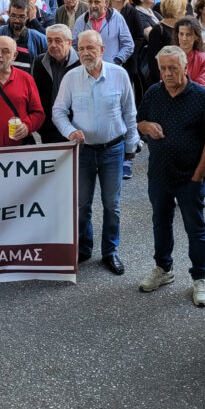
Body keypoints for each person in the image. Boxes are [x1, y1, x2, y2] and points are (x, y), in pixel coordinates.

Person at [137, 46, 205, 305]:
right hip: (158, 174)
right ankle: (163, 268)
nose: (168, 73)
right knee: (160, 223)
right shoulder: (153, 93)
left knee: (195, 229)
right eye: (163, 68)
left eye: (173, 67)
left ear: (185, 68)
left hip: (190, 176)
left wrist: (199, 174)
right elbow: (140, 122)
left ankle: (199, 277)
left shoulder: (202, 97)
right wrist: (146, 127)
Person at [52, 30, 139, 274]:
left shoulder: (119, 75)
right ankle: (83, 248)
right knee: (82, 205)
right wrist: (70, 131)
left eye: (91, 48)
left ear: (102, 50)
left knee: (112, 204)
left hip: (113, 149)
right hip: (84, 152)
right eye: (81, 48)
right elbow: (58, 112)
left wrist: (132, 147)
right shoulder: (71, 78)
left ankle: (110, 251)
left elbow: (130, 114)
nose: (86, 53)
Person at [33, 24, 81, 144]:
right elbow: (35, 94)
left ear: (69, 42)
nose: (53, 45)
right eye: (49, 40)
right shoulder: (39, 62)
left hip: (76, 127)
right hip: (48, 129)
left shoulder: (81, 64)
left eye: (58, 41)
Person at [0, 0, 49, 75]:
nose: (17, 20)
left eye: (21, 17)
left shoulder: (38, 38)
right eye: (13, 16)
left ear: (27, 16)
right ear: (8, 13)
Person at [72, 0, 134, 66]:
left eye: (97, 2)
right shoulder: (81, 21)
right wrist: (83, 59)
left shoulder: (117, 18)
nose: (93, 5)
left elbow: (128, 44)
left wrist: (118, 60)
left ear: (105, 2)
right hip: (87, 70)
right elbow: (74, 45)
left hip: (111, 69)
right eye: (90, 2)